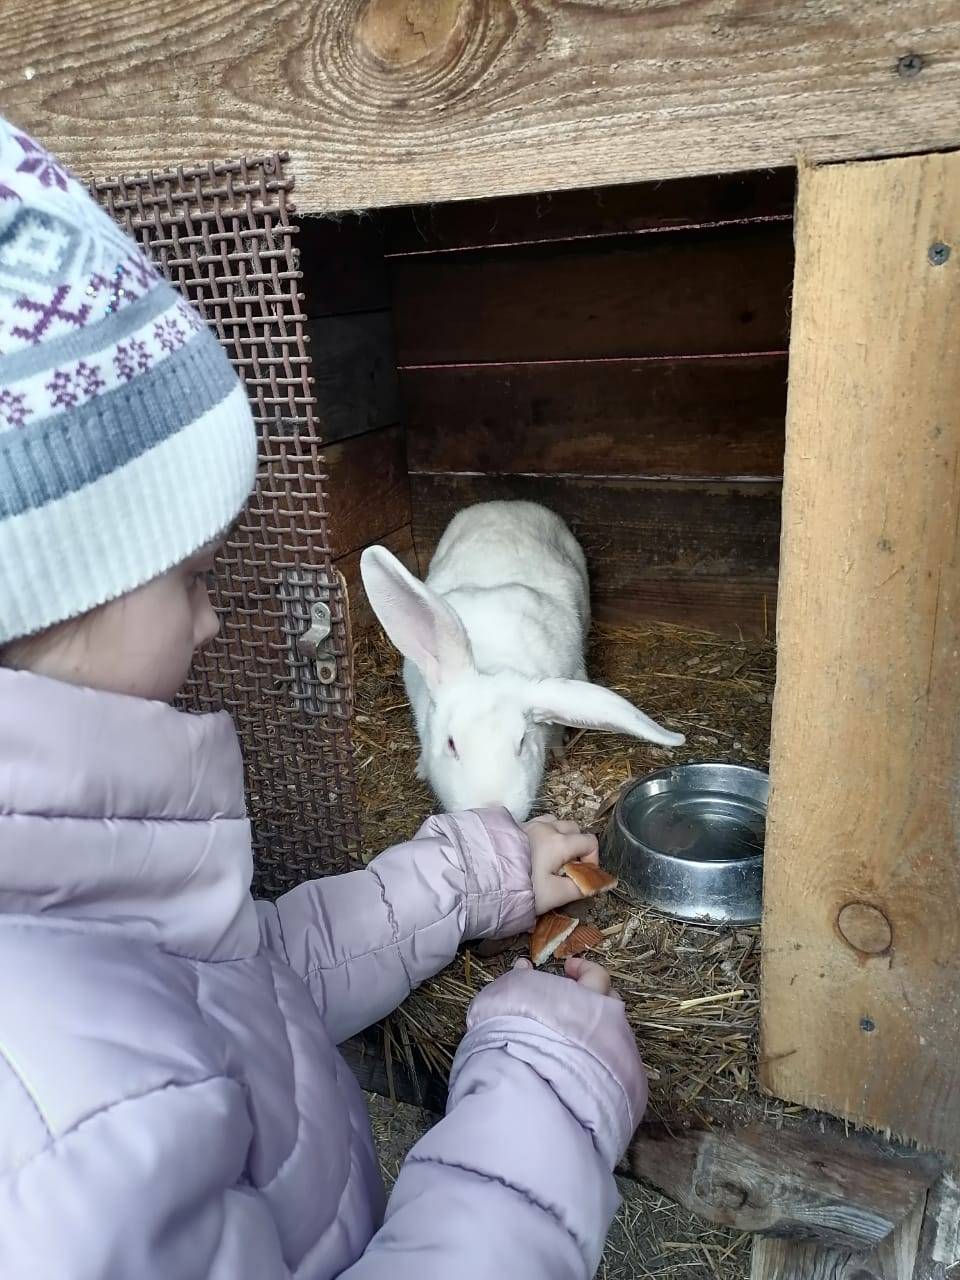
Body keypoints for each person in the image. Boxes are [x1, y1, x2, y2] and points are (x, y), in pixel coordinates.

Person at [0, 116, 647, 1279]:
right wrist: (541, 1094)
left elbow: (241, 987)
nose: (215, 619)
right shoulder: (47, 1154)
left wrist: (468, 872)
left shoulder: (80, 888)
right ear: (48, 593)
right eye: (195, 577)